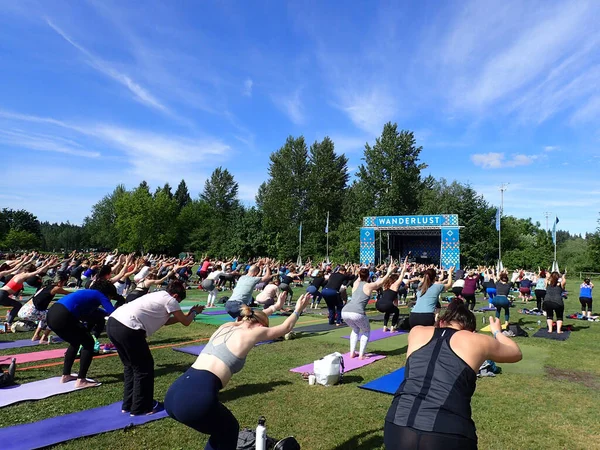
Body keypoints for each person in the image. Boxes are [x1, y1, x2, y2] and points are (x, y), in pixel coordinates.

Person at [164, 293, 310, 450]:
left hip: (174, 393)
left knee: (223, 432)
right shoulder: (254, 332)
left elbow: (252, 316)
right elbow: (285, 328)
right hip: (195, 399)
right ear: (261, 327)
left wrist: (275, 307)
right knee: (229, 429)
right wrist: (297, 310)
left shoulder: (226, 327)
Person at [384, 299, 522, 450]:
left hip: (398, 424)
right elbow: (516, 353)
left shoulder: (417, 332)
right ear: (471, 330)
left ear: (442, 322)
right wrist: (497, 331)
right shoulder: (477, 340)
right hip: (448, 429)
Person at [107, 281, 203, 416]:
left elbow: (167, 320)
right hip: (129, 328)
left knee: (130, 366)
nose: (178, 305)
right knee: (144, 368)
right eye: (179, 301)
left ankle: (128, 404)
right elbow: (186, 322)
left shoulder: (158, 295)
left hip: (113, 323)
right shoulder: (170, 300)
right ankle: (142, 407)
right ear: (176, 296)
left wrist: (187, 314)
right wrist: (194, 313)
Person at [46, 280, 118, 388]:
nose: (109, 300)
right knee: (89, 343)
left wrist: (104, 313)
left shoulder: (87, 293)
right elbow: (113, 312)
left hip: (52, 314)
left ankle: (66, 375)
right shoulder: (99, 294)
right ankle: (81, 380)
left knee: (75, 342)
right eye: (110, 297)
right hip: (63, 315)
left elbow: (93, 313)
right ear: (107, 293)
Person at [342, 263, 396, 359]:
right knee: (366, 331)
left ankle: (352, 353)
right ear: (368, 276)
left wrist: (361, 270)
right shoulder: (368, 286)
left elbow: (359, 277)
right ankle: (361, 355)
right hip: (357, 312)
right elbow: (381, 282)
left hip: (345, 311)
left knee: (355, 329)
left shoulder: (355, 283)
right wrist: (389, 272)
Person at [0, 257, 57, 324]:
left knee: (17, 305)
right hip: (2, 294)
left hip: (2, 292)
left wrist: (24, 260)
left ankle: (8, 321)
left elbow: (16, 268)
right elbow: (38, 271)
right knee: (17, 305)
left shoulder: (18, 274)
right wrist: (49, 263)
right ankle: (8, 322)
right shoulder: (24, 275)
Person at [18, 273, 71, 343]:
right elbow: (68, 293)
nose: (64, 284)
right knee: (53, 318)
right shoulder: (56, 288)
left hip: (24, 310)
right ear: (60, 281)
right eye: (64, 282)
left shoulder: (45, 287)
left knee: (45, 315)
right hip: (30, 311)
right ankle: (43, 338)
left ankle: (36, 336)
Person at [376, 258, 409, 333]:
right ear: (395, 280)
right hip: (386, 304)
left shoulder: (385, 285)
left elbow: (388, 272)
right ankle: (392, 328)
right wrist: (405, 263)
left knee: (388, 311)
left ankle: (384, 327)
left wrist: (391, 263)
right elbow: (402, 273)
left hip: (378, 304)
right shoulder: (395, 285)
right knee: (396, 311)